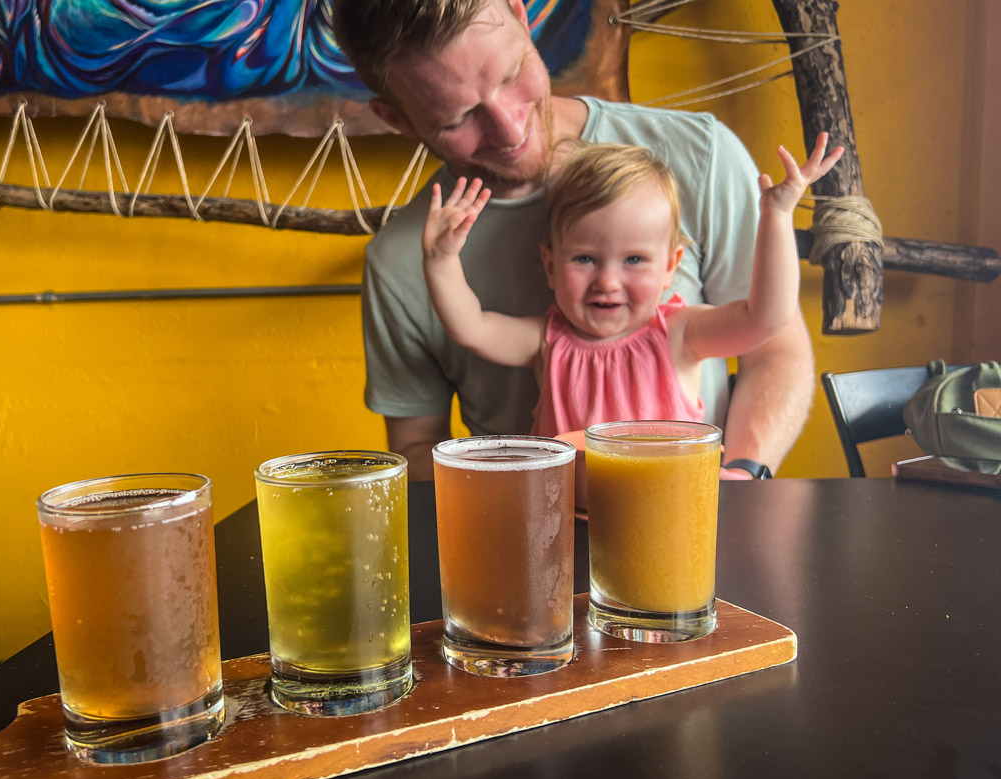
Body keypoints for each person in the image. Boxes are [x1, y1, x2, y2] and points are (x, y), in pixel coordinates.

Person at [331, 0, 816, 480]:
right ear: (395, 119)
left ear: (523, 19)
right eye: (459, 118)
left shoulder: (700, 156)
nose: (509, 127)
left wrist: (738, 480)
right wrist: (527, 490)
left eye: (510, 74)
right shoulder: (401, 262)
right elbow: (419, 443)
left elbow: (773, 341)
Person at [421, 138, 842, 438]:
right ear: (550, 266)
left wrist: (777, 215)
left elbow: (766, 318)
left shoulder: (679, 332)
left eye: (634, 260)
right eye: (585, 258)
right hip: (572, 524)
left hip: (669, 516)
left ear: (670, 268)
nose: (607, 281)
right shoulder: (547, 341)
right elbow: (471, 328)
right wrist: (441, 259)